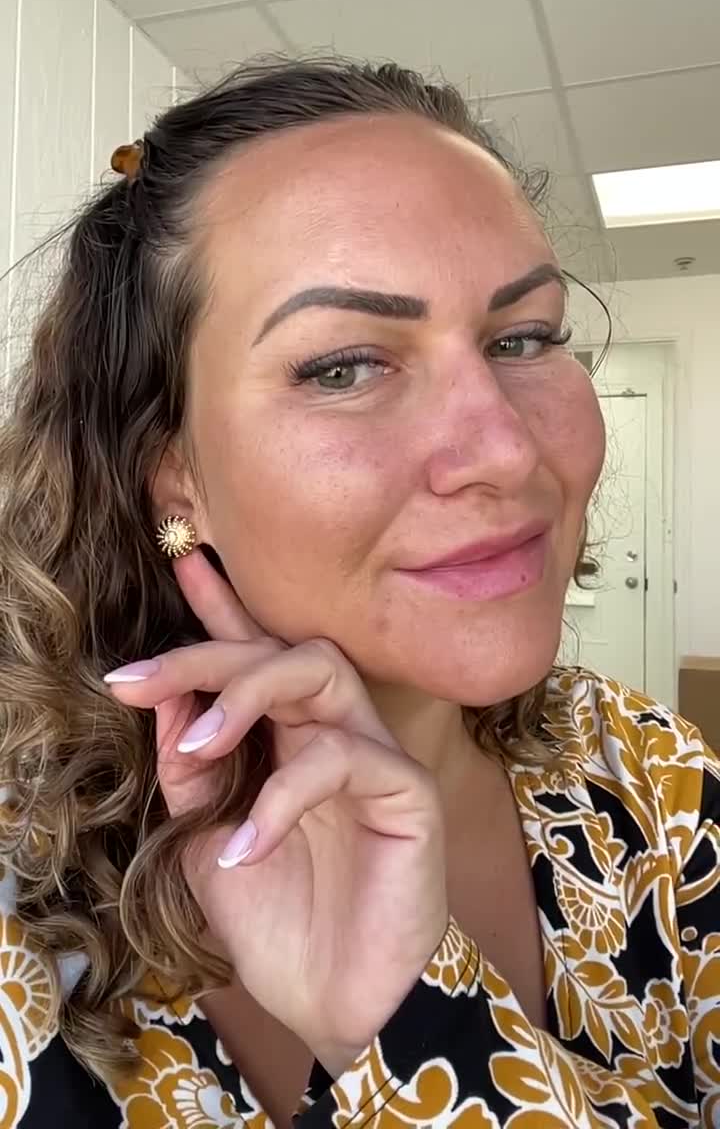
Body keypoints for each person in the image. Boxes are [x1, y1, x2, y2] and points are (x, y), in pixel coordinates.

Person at [0, 58, 717, 1129]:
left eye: (524, 337)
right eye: (342, 366)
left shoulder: (658, 783)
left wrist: (415, 1025)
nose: (506, 450)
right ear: (173, 472)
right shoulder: (22, 895)